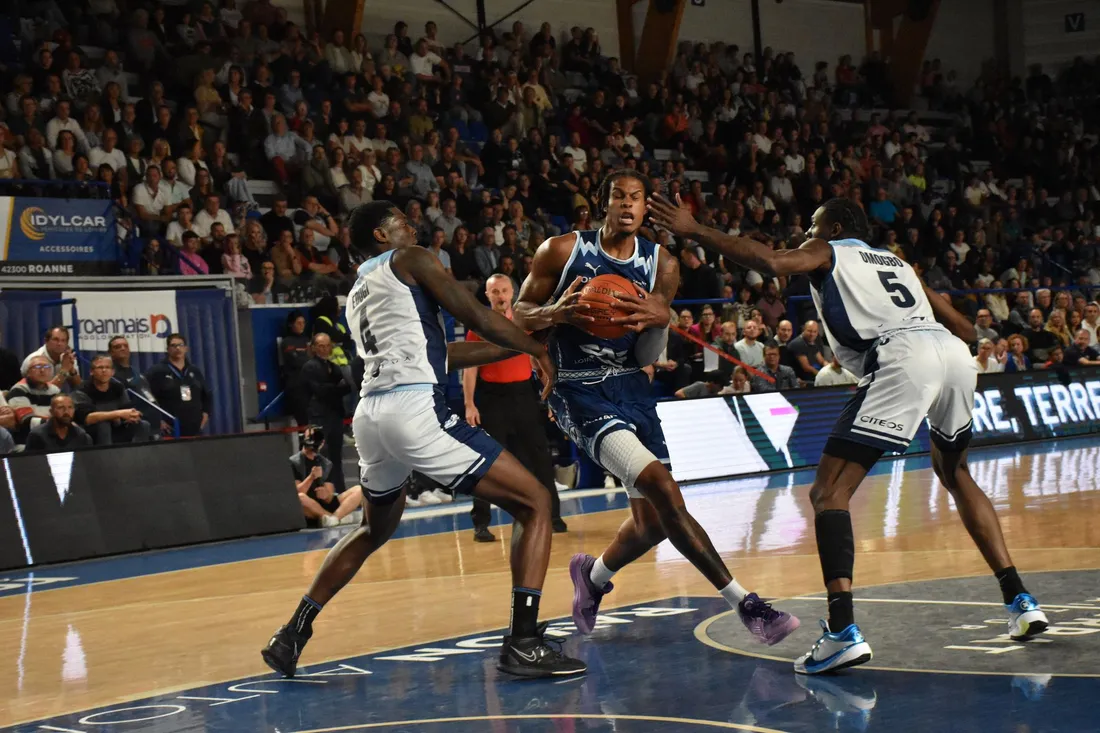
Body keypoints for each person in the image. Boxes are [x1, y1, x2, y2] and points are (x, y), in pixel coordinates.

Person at [648, 193, 1049, 675]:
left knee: (828, 493)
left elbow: (770, 262)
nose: (806, 234)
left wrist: (695, 230)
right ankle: (1021, 601)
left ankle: (842, 632)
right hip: (951, 355)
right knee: (956, 472)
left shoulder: (830, 250)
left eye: (814, 225)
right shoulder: (899, 264)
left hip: (902, 357)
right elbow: (964, 328)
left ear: (836, 228)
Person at [262, 201, 586, 679]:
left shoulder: (358, 290)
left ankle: (291, 634)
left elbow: (441, 352)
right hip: (415, 411)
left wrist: (524, 337)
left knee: (373, 529)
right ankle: (522, 643)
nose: (411, 227)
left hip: (372, 418)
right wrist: (537, 344)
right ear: (380, 232)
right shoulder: (411, 258)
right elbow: (474, 312)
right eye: (401, 221)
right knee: (536, 501)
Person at [513, 169, 798, 646]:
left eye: (636, 198)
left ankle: (593, 577)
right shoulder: (561, 250)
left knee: (651, 524)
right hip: (578, 390)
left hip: (632, 385)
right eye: (618, 197)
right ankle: (748, 606)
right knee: (665, 492)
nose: (627, 205)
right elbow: (520, 310)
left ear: (647, 209)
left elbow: (649, 348)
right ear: (603, 203)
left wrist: (662, 317)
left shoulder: (661, 263)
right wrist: (553, 315)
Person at [463, 273, 567, 542]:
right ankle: (480, 523)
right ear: (487, 296)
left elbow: (540, 360)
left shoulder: (524, 323)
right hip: (492, 398)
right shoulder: (479, 326)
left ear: (513, 292)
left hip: (524, 396)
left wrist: (551, 399)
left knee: (540, 457)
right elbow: (470, 368)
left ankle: (553, 516)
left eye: (504, 290)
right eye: (494, 291)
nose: (500, 295)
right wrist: (469, 404)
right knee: (487, 462)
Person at [300, 333, 351, 492]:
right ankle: (321, 492)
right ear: (314, 347)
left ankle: (340, 491)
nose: (324, 349)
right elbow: (320, 390)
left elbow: (346, 387)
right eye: (321, 346)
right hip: (318, 417)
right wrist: (336, 388)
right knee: (319, 455)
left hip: (335, 415)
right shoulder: (310, 366)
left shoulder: (334, 367)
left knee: (336, 456)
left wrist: (333, 389)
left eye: (327, 345)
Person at [291, 426, 363, 527]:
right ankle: (337, 518)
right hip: (309, 505)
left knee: (359, 489)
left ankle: (334, 518)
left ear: (322, 443)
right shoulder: (294, 463)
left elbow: (329, 497)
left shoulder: (326, 463)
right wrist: (311, 477)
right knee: (300, 498)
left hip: (325, 504)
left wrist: (326, 494)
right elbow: (297, 493)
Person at [145, 334, 213, 436]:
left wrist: (206, 414)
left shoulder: (194, 371)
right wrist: (157, 421)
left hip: (195, 430)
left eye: (180, 345)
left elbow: (207, 395)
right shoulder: (156, 371)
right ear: (168, 349)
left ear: (186, 348)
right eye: (173, 345)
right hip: (169, 431)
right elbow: (146, 398)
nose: (177, 348)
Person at [75, 355, 151, 445]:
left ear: (112, 372)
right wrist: (117, 414)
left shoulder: (118, 387)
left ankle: (137, 454)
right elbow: (87, 418)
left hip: (116, 426)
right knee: (103, 425)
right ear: (91, 372)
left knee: (143, 425)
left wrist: (132, 416)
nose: (104, 370)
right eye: (100, 367)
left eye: (107, 367)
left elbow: (126, 409)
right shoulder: (83, 389)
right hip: (92, 430)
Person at [25, 394, 93, 453]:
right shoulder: (37, 435)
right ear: (51, 411)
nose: (66, 412)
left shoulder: (82, 435)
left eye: (70, 407)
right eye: (60, 408)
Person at [22, 325, 82, 390]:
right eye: (56, 340)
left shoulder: (67, 357)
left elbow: (79, 388)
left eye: (63, 340)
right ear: (46, 341)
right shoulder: (35, 359)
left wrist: (72, 370)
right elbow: (44, 392)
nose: (59, 344)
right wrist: (64, 370)